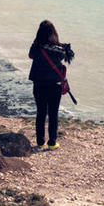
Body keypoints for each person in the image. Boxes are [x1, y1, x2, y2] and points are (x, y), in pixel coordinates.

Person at [28, 20, 74, 151]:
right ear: (53, 33)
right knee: (53, 114)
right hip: (54, 85)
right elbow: (67, 55)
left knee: (41, 113)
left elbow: (30, 55)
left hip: (39, 84)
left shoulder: (36, 48)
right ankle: (52, 143)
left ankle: (40, 142)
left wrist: (36, 40)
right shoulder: (59, 50)